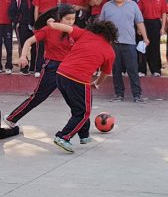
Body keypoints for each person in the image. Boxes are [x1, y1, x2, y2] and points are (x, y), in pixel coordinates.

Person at [46, 19, 118, 153]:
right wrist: (96, 84)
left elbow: (67, 28)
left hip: (61, 74)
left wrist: (52, 24)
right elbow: (105, 73)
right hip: (78, 79)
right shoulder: (110, 52)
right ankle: (63, 137)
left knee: (79, 107)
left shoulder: (85, 34)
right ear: (111, 36)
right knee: (83, 112)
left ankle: (84, 135)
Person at [5, 5, 76, 126]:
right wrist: (23, 56)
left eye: (73, 19)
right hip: (52, 68)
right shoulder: (48, 30)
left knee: (76, 100)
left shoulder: (75, 31)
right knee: (38, 97)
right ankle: (12, 118)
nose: (70, 22)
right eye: (67, 19)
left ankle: (82, 128)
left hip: (70, 68)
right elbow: (28, 41)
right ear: (59, 18)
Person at [100, 0, 149, 103]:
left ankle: (137, 95)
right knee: (116, 70)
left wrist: (145, 38)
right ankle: (119, 95)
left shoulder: (133, 5)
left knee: (133, 70)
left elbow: (140, 22)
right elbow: (101, 25)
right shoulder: (107, 6)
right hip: (112, 44)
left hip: (130, 43)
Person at [32, 0, 62, 76]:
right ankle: (38, 69)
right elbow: (36, 9)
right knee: (40, 45)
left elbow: (61, 5)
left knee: (53, 44)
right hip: (42, 20)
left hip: (54, 21)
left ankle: (55, 68)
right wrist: (36, 24)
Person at [137, 0, 167, 77]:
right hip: (144, 24)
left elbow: (163, 14)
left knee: (155, 47)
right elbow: (139, 14)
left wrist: (162, 28)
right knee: (142, 47)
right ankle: (141, 70)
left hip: (156, 24)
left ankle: (156, 70)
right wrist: (138, 28)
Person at [10, 0, 35, 75]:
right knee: (22, 45)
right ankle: (24, 66)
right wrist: (17, 22)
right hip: (21, 25)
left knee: (34, 45)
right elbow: (11, 12)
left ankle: (33, 66)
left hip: (32, 25)